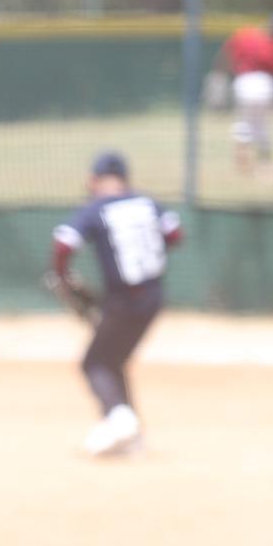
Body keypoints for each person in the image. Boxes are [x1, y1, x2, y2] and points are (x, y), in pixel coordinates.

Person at [51, 152, 182, 457]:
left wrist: (62, 276)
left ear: (93, 180)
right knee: (113, 360)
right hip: (154, 296)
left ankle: (119, 417)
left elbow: (63, 244)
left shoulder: (95, 208)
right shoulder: (147, 202)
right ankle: (132, 437)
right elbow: (175, 234)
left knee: (94, 363)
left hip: (122, 299)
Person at [214, 14, 273, 174]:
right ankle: (265, 164)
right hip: (265, 84)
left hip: (244, 83)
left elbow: (224, 56)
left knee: (243, 124)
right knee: (263, 126)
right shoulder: (271, 43)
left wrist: (220, 75)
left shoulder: (244, 33)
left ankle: (242, 162)